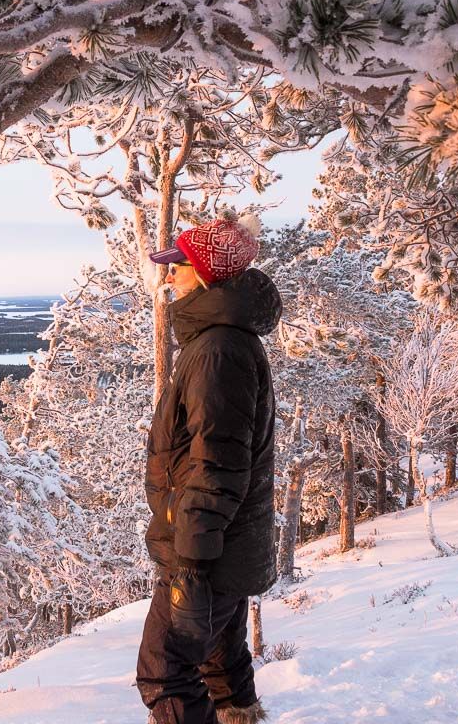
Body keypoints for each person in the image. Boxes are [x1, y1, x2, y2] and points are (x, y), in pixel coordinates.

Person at [136, 210, 282, 724]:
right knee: (220, 655)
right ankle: (240, 715)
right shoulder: (218, 341)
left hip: (206, 548)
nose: (168, 275)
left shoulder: (218, 349)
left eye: (178, 265)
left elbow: (216, 463)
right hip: (224, 543)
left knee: (165, 671)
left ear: (205, 273)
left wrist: (191, 559)